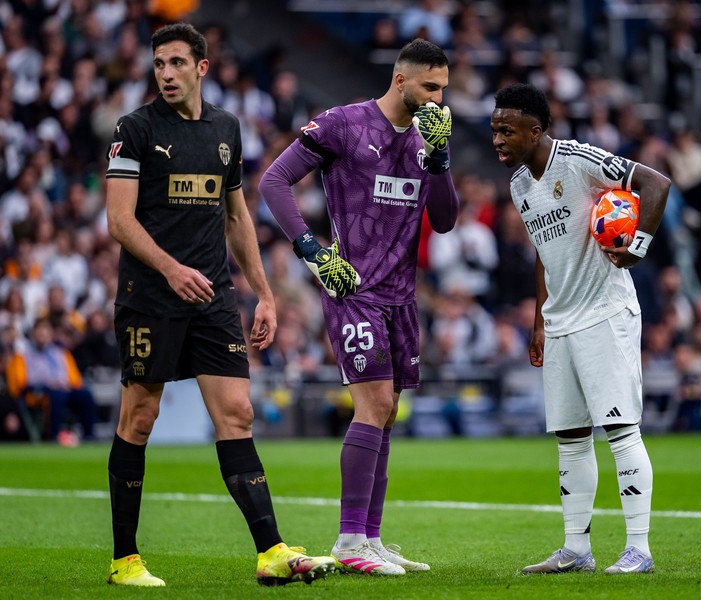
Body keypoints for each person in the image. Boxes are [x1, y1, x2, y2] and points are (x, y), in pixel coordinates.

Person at [103, 23, 335, 588]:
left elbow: (236, 218)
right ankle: (124, 561)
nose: (166, 73)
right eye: (159, 64)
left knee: (237, 414)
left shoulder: (225, 130)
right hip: (151, 296)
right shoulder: (133, 129)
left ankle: (271, 551)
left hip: (212, 297)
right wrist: (170, 268)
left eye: (177, 63)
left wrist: (265, 293)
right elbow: (118, 220)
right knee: (140, 417)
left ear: (202, 67)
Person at [259, 38, 459, 575]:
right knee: (372, 407)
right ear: (401, 80)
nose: (440, 99)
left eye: (445, 89)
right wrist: (312, 253)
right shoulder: (345, 124)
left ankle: (370, 538)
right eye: (431, 87)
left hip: (400, 295)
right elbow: (273, 180)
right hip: (352, 288)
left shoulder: (426, 139)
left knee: (388, 414)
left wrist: (439, 159)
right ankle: (349, 540)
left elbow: (443, 220)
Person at [490, 83, 671, 575]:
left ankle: (639, 548)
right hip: (560, 320)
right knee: (570, 436)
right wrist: (537, 321)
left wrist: (638, 245)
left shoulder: (578, 160)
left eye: (506, 130)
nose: (498, 140)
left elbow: (656, 184)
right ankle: (577, 549)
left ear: (535, 130)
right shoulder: (519, 186)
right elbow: (544, 256)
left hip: (605, 312)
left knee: (619, 428)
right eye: (493, 130)